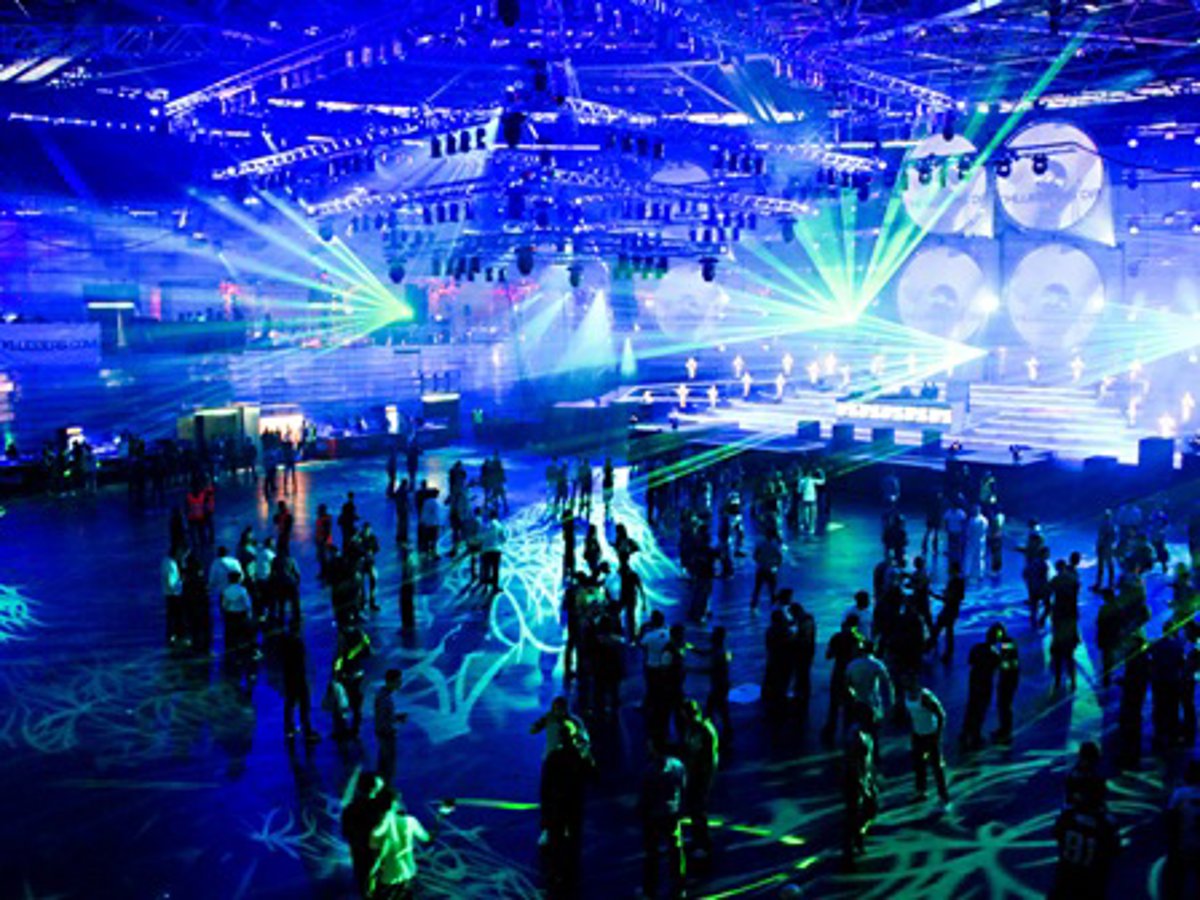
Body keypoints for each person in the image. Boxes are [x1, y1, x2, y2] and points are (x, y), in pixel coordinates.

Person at [539, 718, 596, 888]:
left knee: (556, 841)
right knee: (574, 839)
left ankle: (556, 874)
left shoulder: (553, 757)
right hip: (574, 805)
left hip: (557, 805)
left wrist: (545, 811)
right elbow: (594, 776)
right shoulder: (579, 757)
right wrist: (588, 756)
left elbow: (545, 787)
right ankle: (571, 874)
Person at [639, 742, 688, 899]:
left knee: (652, 853)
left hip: (653, 816)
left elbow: (645, 796)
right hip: (672, 813)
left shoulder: (649, 771)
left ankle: (650, 890)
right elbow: (683, 787)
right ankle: (679, 888)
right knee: (675, 849)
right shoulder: (678, 766)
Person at [1050, 800, 1119, 899]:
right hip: (1091, 879)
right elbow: (1114, 850)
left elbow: (1056, 833)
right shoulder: (1106, 823)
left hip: (1066, 873)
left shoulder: (1068, 815)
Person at [368, 789, 430, 899]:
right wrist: (439, 819)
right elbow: (427, 839)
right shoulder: (410, 821)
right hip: (408, 877)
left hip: (388, 881)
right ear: (394, 803)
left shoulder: (376, 831)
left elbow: (375, 860)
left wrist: (370, 883)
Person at [680, 699, 719, 861]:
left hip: (701, 776)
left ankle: (704, 844)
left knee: (698, 809)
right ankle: (698, 840)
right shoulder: (693, 728)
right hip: (695, 774)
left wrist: (701, 778)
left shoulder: (703, 730)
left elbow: (707, 757)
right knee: (694, 809)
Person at [845, 642, 893, 758]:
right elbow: (887, 684)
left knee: (856, 727)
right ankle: (874, 754)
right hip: (872, 702)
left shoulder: (852, 664)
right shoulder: (876, 664)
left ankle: (855, 752)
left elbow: (846, 683)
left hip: (856, 701)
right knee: (873, 730)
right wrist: (891, 702)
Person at [905, 683, 950, 805]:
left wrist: (938, 735)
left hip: (930, 735)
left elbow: (941, 714)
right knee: (919, 764)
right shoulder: (907, 695)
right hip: (918, 734)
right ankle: (921, 791)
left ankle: (943, 796)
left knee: (936, 766)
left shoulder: (925, 697)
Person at [822, 616, 864, 743]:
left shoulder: (837, 637)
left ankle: (831, 727)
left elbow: (828, 655)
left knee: (834, 702)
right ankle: (848, 731)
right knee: (850, 702)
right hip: (853, 672)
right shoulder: (858, 638)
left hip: (839, 670)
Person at [842, 723, 878, 866]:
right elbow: (854, 768)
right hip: (855, 784)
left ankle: (857, 839)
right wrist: (864, 788)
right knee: (854, 817)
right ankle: (850, 850)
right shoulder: (857, 741)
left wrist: (871, 779)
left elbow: (868, 763)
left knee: (867, 812)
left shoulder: (867, 738)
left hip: (862, 781)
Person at [960, 627, 1000, 751]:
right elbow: (997, 667)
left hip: (974, 681)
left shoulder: (976, 648)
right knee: (981, 709)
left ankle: (965, 732)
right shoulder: (994, 654)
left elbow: (970, 661)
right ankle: (975, 734)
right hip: (985, 683)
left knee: (971, 707)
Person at [1165, 757, 1200, 899]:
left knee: (1177, 882)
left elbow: (1171, 819)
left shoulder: (1179, 794)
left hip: (1183, 844)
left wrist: (1172, 844)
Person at [281, 619, 319, 743]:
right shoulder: (297, 643)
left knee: (290, 703)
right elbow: (300, 663)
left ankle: (289, 728)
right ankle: (307, 731)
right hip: (298, 677)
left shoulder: (286, 641)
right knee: (304, 704)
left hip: (289, 677)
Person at [374, 669, 407, 784]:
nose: (400, 684)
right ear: (390, 681)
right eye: (398, 681)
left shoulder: (384, 695)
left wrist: (396, 717)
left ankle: (382, 783)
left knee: (384, 761)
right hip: (386, 733)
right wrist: (394, 722)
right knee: (388, 763)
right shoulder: (384, 698)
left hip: (385, 732)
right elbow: (383, 717)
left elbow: (385, 715)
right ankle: (385, 785)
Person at [930, 562, 964, 664]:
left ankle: (930, 646)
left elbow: (951, 597)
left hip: (949, 609)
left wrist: (943, 596)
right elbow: (960, 596)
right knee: (947, 630)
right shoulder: (959, 581)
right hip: (952, 609)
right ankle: (947, 651)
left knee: (941, 628)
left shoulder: (955, 582)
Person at [992, 623, 1020, 744]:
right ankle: (1004, 727)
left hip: (1008, 679)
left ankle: (1006, 728)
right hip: (1008, 678)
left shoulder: (1006, 644)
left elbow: (1008, 662)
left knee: (1004, 704)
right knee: (1003, 704)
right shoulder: (1006, 644)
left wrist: (997, 662)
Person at [162, 546, 185, 646]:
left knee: (171, 615)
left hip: (168, 593)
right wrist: (181, 582)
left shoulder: (165, 561)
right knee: (175, 615)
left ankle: (172, 634)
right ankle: (175, 634)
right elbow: (171, 582)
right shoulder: (171, 565)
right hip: (174, 594)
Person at [480, 511, 505, 594]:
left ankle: (485, 587)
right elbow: (503, 539)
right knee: (495, 568)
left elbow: (481, 537)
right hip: (496, 549)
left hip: (486, 550)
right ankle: (495, 586)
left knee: (486, 568)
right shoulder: (499, 525)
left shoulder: (484, 525)